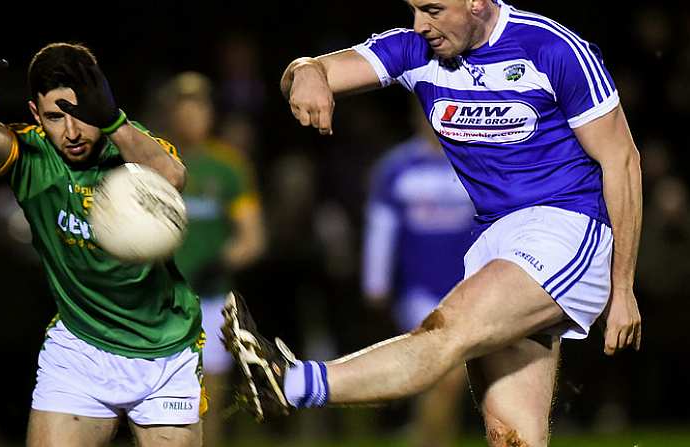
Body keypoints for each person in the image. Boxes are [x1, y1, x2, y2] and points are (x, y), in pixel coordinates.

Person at [221, 1, 642, 445]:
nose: (422, 25)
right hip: (494, 238)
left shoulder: (552, 48)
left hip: (566, 229)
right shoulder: (414, 50)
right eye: (415, 10)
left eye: (434, 10)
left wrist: (624, 289)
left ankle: (291, 383)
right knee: (512, 437)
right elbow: (314, 70)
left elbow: (623, 161)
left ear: (476, 2)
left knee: (446, 331)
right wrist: (306, 71)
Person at [0, 19, 204, 447]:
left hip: (163, 351)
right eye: (55, 117)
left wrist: (114, 121)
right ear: (35, 114)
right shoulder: (32, 159)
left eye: (81, 114)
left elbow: (171, 178)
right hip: (81, 350)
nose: (72, 131)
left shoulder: (132, 149)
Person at [145, 72, 266, 446]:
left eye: (199, 105)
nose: (192, 114)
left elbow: (253, 239)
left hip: (211, 298)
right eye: (183, 106)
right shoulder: (149, 161)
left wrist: (221, 260)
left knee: (208, 394)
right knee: (156, 396)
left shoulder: (228, 166)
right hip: (158, 297)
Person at [362, 103, 474, 447]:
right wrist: (376, 281)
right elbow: (380, 227)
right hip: (419, 290)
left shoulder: (474, 160)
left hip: (469, 287)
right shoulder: (396, 167)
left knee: (447, 382)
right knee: (448, 376)